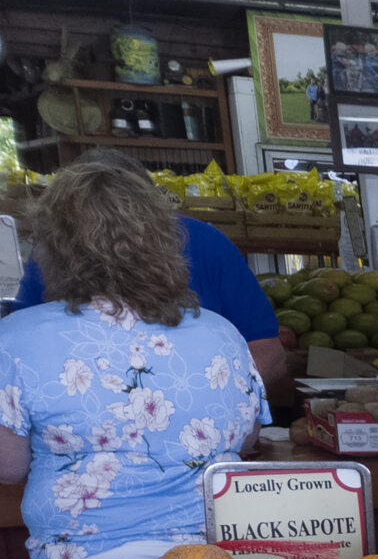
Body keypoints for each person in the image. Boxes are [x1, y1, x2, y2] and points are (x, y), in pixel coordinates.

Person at [0, 155, 265, 559]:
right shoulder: (220, 333)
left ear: (53, 245)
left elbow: (8, 467)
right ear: (163, 237)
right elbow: (248, 437)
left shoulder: (18, 338)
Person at [12, 151, 286, 393]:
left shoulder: (208, 245)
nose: (110, 222)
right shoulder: (49, 256)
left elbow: (267, 353)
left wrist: (218, 401)